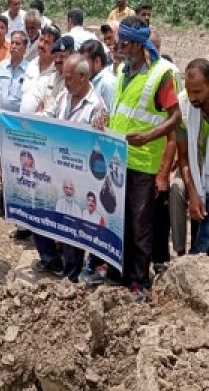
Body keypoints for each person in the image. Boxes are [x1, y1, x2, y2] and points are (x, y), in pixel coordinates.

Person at [99, 16, 181, 301]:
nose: (118, 46)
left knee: (140, 224)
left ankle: (139, 282)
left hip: (144, 162)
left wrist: (148, 137)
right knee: (118, 220)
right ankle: (119, 274)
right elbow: (122, 110)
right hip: (118, 159)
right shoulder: (123, 71)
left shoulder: (162, 75)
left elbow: (175, 118)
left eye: (123, 42)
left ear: (136, 43)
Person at [35, 54, 108, 282]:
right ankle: (51, 260)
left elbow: (98, 145)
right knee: (42, 211)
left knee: (74, 227)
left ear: (83, 77)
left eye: (68, 78)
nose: (64, 82)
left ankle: (71, 276)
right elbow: (49, 117)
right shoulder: (65, 96)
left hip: (79, 176)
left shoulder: (96, 108)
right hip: (56, 169)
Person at [176, 59, 209, 255]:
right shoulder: (185, 108)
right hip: (198, 177)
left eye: (197, 92)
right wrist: (194, 193)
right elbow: (184, 158)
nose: (192, 97)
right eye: (189, 91)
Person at [0, 31, 29, 113]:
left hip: (19, 119)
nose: (13, 46)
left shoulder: (29, 70)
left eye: (17, 44)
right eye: (12, 43)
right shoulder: (1, 66)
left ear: (25, 48)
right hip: (0, 116)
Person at [80, 39, 117, 111]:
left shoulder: (107, 83)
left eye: (84, 63)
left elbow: (109, 115)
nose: (81, 67)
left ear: (97, 61)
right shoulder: (90, 81)